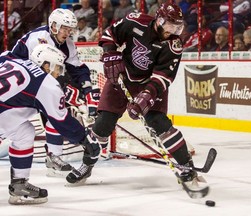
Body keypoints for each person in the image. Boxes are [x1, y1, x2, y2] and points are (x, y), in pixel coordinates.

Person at [66, 2, 198, 185]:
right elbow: (108, 35)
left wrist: (146, 96)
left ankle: (186, 165)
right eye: (169, 25)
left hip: (150, 83)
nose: (172, 30)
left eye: (177, 27)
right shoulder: (135, 21)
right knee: (102, 124)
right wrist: (111, 53)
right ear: (159, 20)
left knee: (159, 124)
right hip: (123, 77)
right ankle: (86, 165)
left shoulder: (174, 44)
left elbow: (164, 77)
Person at [0, 44, 100, 204]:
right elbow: (61, 121)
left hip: (4, 113)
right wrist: (85, 139)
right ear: (46, 65)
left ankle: (19, 183)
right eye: (57, 68)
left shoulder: (14, 59)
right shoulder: (46, 83)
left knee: (24, 132)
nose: (59, 73)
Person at [11, 8, 100, 176]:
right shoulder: (38, 39)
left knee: (57, 112)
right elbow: (38, 71)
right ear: (53, 25)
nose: (68, 33)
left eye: (70, 29)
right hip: (20, 85)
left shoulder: (67, 44)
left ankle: (54, 158)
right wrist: (65, 90)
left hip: (31, 85)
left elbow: (77, 68)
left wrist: (87, 90)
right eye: (64, 28)